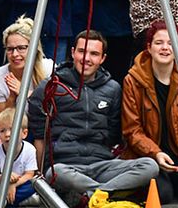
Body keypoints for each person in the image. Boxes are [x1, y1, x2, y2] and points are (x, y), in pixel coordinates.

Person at [28, 31, 160, 204]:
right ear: (73, 52)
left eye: (94, 54)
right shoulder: (51, 86)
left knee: (150, 166)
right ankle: (109, 194)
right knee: (55, 173)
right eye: (82, 51)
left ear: (103, 58)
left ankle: (96, 194)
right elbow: (39, 135)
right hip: (66, 165)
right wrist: (39, 171)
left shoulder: (113, 89)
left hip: (103, 164)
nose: (86, 58)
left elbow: (114, 134)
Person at [120, 21, 178, 204]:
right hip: (147, 155)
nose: (165, 48)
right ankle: (166, 182)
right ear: (149, 48)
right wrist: (155, 153)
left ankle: (175, 180)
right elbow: (132, 130)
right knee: (162, 195)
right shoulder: (132, 80)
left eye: (170, 43)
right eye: (159, 43)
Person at [0, 17, 53, 121]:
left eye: (21, 48)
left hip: (45, 128)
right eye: (10, 49)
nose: (15, 54)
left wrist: (25, 92)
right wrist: (11, 98)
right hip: (14, 133)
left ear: (34, 48)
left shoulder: (48, 68)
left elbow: (58, 109)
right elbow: (1, 124)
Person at [0, 108, 38, 204]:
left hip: (20, 183)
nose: (7, 134)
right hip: (1, 184)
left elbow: (29, 174)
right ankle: (18, 201)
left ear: (24, 133)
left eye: (12, 130)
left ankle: (3, 201)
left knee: (34, 185)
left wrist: (13, 185)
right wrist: (4, 178)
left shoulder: (30, 149)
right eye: (2, 131)